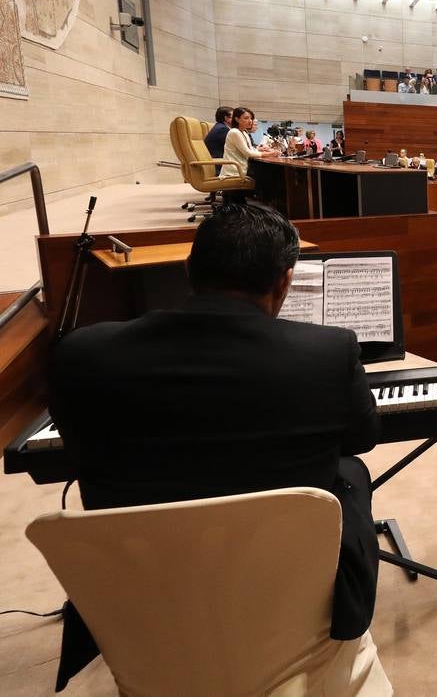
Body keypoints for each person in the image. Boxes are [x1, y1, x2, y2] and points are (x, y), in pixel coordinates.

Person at [48, 204, 381, 688]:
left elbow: (73, 445)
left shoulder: (81, 353)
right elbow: (361, 438)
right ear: (285, 282)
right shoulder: (327, 352)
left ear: (188, 270)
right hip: (282, 587)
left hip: (144, 587)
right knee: (349, 470)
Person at [220, 106, 279, 181]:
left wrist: (265, 151)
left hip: (243, 167)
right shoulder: (234, 132)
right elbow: (248, 153)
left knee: (273, 171)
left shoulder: (244, 132)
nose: (250, 121)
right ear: (237, 119)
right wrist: (271, 153)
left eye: (251, 118)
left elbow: (251, 150)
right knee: (273, 172)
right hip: (236, 171)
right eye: (246, 118)